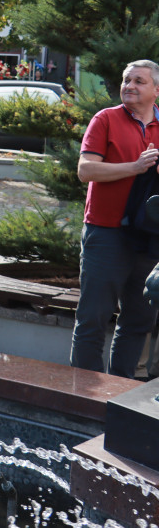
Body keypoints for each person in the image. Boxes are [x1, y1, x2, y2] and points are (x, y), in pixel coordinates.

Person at [72, 60, 159, 377]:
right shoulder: (105, 119)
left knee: (138, 320)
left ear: (156, 90)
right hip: (106, 234)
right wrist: (134, 167)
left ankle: (119, 395)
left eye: (139, 81)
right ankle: (83, 398)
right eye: (126, 80)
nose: (130, 86)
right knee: (93, 318)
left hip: (149, 239)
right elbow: (86, 171)